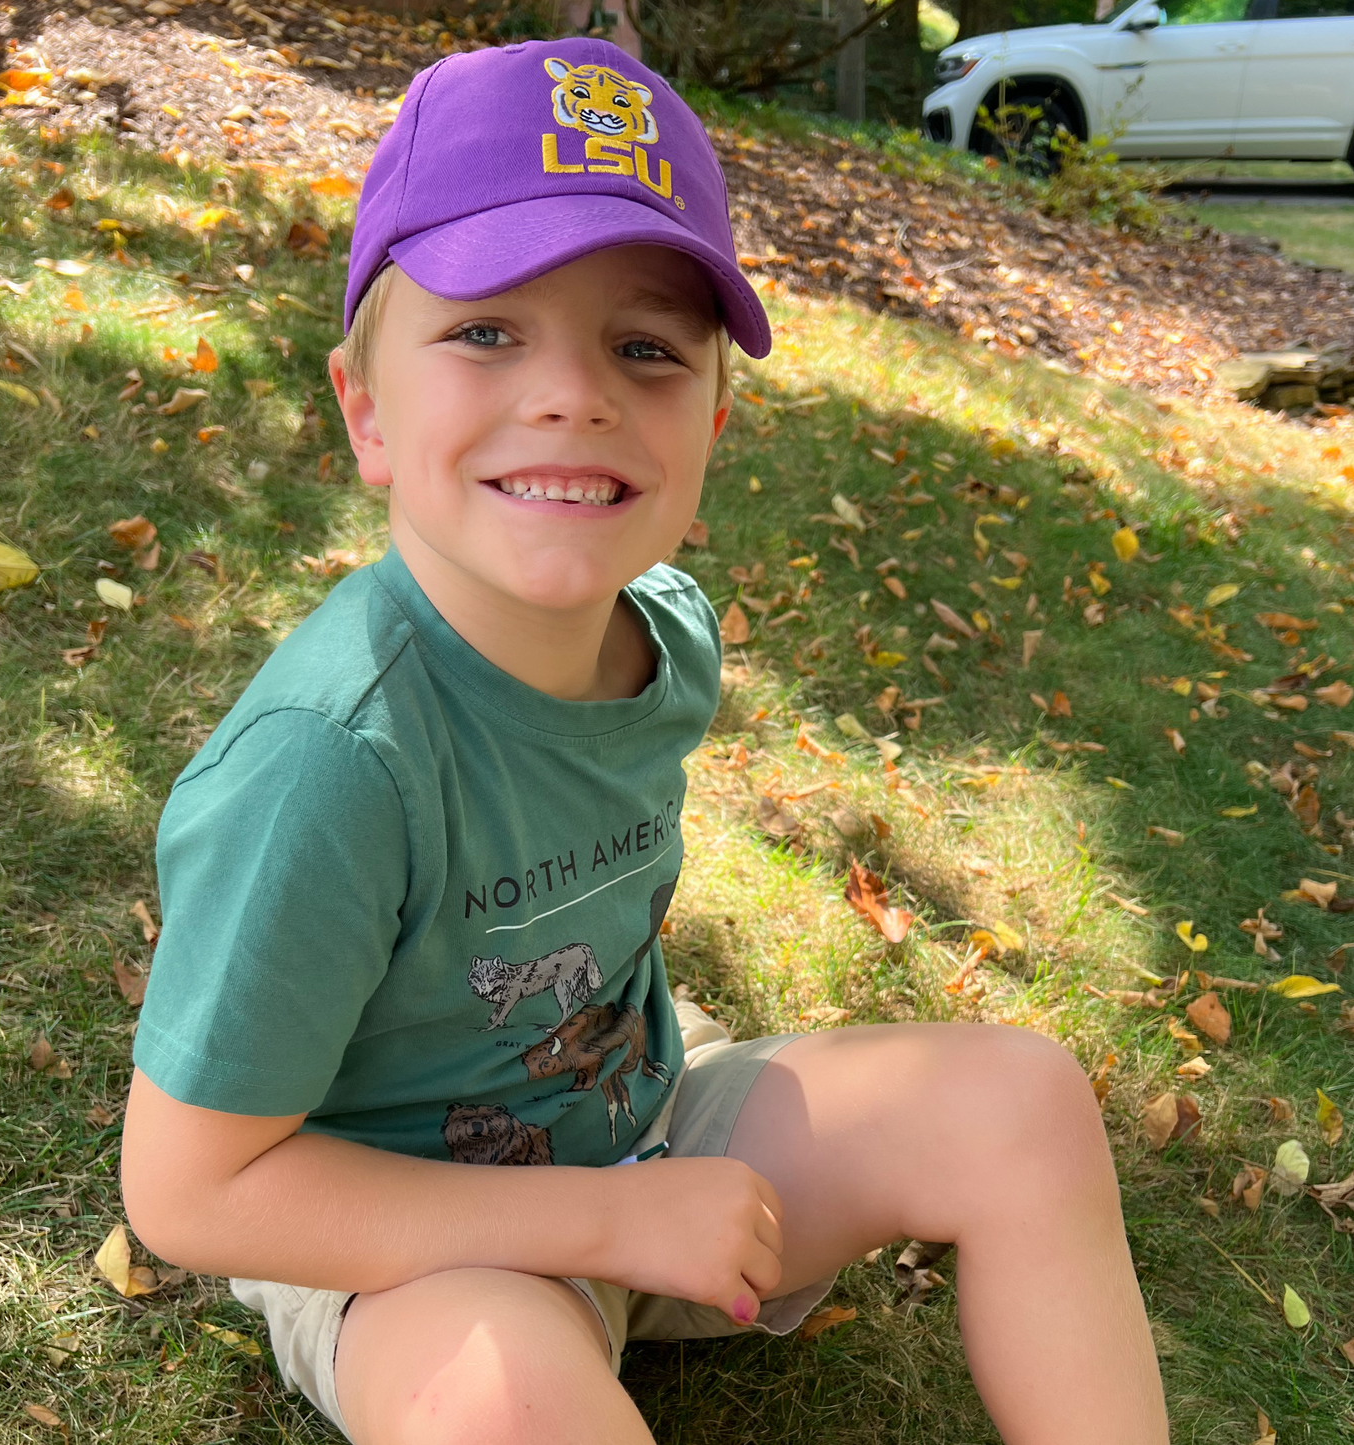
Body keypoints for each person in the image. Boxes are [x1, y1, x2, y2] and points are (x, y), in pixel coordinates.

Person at [119, 37, 1169, 1445]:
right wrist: (612, 1218)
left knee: (1022, 1102)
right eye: (487, 329)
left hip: (655, 1132)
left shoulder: (668, 635)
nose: (575, 394)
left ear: (713, 425)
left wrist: (649, 1192)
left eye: (646, 348)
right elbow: (190, 1195)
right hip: (415, 1245)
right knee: (503, 1403)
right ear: (368, 410)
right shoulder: (328, 765)